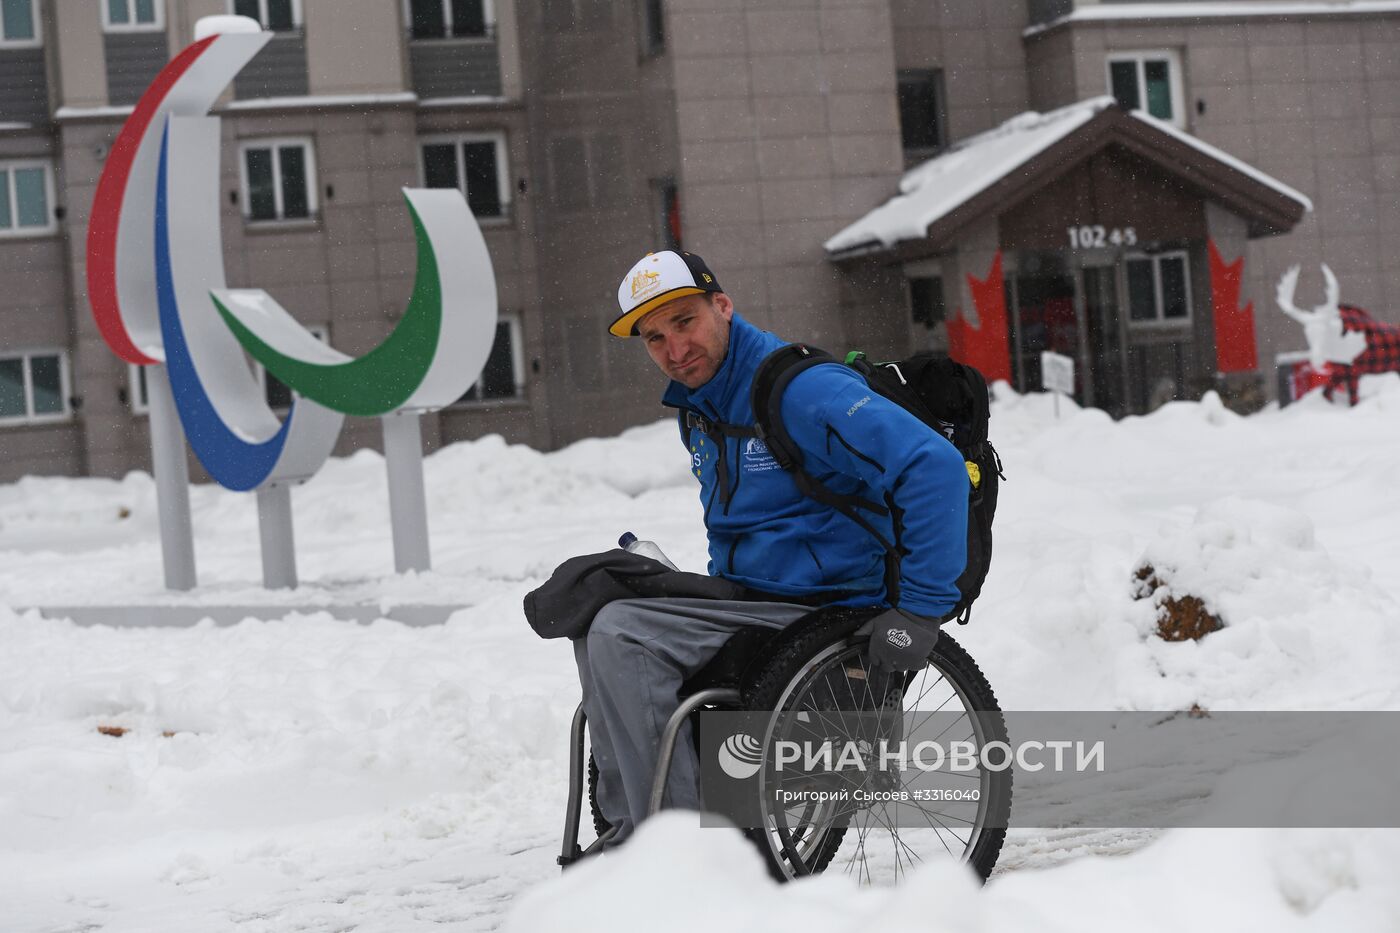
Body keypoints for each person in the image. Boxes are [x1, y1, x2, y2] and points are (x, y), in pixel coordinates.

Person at [573, 249, 969, 845]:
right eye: (655, 338)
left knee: (621, 634)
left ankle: (675, 851)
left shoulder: (801, 391)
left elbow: (934, 467)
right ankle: (633, 828)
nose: (675, 350)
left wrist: (920, 611)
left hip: (824, 608)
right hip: (753, 601)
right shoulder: (700, 407)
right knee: (593, 607)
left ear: (723, 306)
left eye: (684, 321)